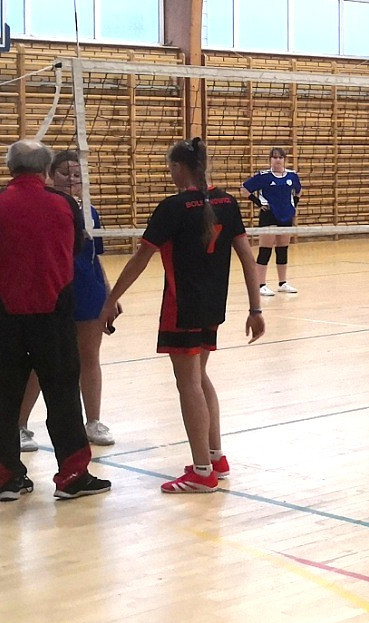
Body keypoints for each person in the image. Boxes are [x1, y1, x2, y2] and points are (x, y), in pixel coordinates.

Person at [101, 138, 264, 494]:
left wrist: (110, 300)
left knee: (188, 383)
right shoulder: (227, 202)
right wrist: (255, 309)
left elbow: (140, 259)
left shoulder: (173, 207)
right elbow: (247, 257)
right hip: (212, 306)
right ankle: (216, 458)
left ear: (178, 168)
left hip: (182, 306)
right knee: (200, 377)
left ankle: (202, 472)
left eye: (170, 167)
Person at [0, 140, 110, 502]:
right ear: (45, 169)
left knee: (1, 397)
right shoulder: (65, 205)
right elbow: (76, 250)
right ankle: (72, 477)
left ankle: (7, 478)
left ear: (10, 167)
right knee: (63, 396)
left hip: (2, 317)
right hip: (53, 315)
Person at [18, 150, 116, 450]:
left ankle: (93, 422)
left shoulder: (90, 211)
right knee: (41, 361)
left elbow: (94, 257)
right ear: (50, 175)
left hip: (89, 293)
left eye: (77, 174)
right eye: (65, 173)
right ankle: (18, 426)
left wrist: (109, 295)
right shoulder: (43, 208)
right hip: (53, 292)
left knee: (89, 357)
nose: (72, 179)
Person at [243, 147, 302, 297]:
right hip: (269, 215)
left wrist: (293, 204)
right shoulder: (264, 176)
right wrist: (259, 203)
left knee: (282, 249)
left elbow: (298, 191)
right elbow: (244, 189)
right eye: (274, 157)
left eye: (280, 157)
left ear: (284, 159)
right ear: (270, 159)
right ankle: (260, 284)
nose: (277, 160)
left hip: (286, 215)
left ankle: (282, 283)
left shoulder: (292, 175)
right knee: (265, 250)